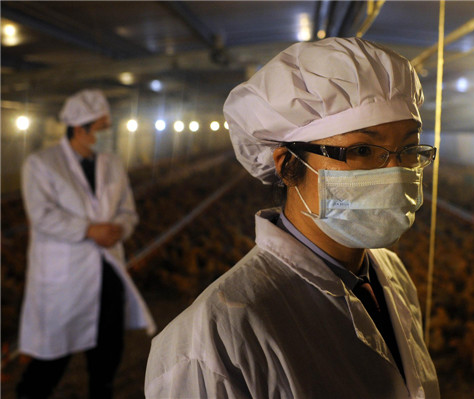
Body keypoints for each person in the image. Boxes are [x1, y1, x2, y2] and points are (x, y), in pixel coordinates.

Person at [145, 37, 439, 399]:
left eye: (409, 149)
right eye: (362, 150)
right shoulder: (216, 337)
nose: (396, 171)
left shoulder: (392, 275)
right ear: (288, 165)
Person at [17, 89, 156, 399]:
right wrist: (89, 230)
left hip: (108, 271)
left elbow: (127, 210)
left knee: (106, 357)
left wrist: (119, 228)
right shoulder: (42, 164)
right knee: (50, 361)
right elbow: (41, 215)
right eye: (103, 127)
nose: (108, 133)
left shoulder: (113, 163)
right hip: (65, 278)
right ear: (80, 129)